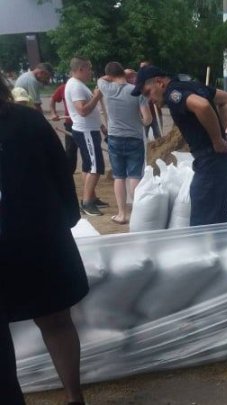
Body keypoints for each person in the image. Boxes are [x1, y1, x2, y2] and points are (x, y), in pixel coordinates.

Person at [0, 77, 88, 405]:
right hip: (39, 237)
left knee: (54, 319)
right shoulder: (27, 120)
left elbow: (59, 172)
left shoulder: (26, 121)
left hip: (35, 238)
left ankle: (73, 397)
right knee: (55, 320)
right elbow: (61, 172)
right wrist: (65, 218)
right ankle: (73, 396)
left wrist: (64, 218)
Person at [132, 65, 227, 226]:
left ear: (159, 82)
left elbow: (202, 105)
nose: (149, 99)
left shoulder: (173, 93)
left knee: (201, 223)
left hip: (210, 162)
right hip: (221, 161)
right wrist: (220, 134)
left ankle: (221, 248)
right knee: (217, 217)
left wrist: (217, 139)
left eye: (147, 92)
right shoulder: (192, 85)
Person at [98, 62, 152, 225]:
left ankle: (122, 214)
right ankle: (137, 213)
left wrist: (123, 73)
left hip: (115, 137)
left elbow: (102, 78)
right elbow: (148, 119)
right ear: (124, 73)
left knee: (119, 177)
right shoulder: (136, 91)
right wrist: (139, 122)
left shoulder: (106, 89)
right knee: (135, 175)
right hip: (134, 137)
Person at [65, 56, 107, 217]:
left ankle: (92, 197)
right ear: (81, 69)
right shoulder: (75, 86)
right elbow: (82, 111)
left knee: (88, 166)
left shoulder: (78, 84)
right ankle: (87, 202)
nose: (91, 72)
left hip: (89, 129)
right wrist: (96, 96)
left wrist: (101, 125)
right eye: (89, 68)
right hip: (86, 131)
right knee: (95, 167)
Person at [50, 82, 79, 175]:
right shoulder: (64, 88)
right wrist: (53, 113)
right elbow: (53, 99)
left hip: (84, 123)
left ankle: (90, 172)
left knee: (87, 149)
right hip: (70, 123)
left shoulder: (82, 87)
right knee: (70, 150)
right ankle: (69, 174)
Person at [139, 61, 163, 140]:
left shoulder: (154, 79)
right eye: (141, 68)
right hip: (144, 115)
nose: (142, 69)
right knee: (143, 136)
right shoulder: (139, 82)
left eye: (144, 67)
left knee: (158, 135)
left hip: (156, 115)